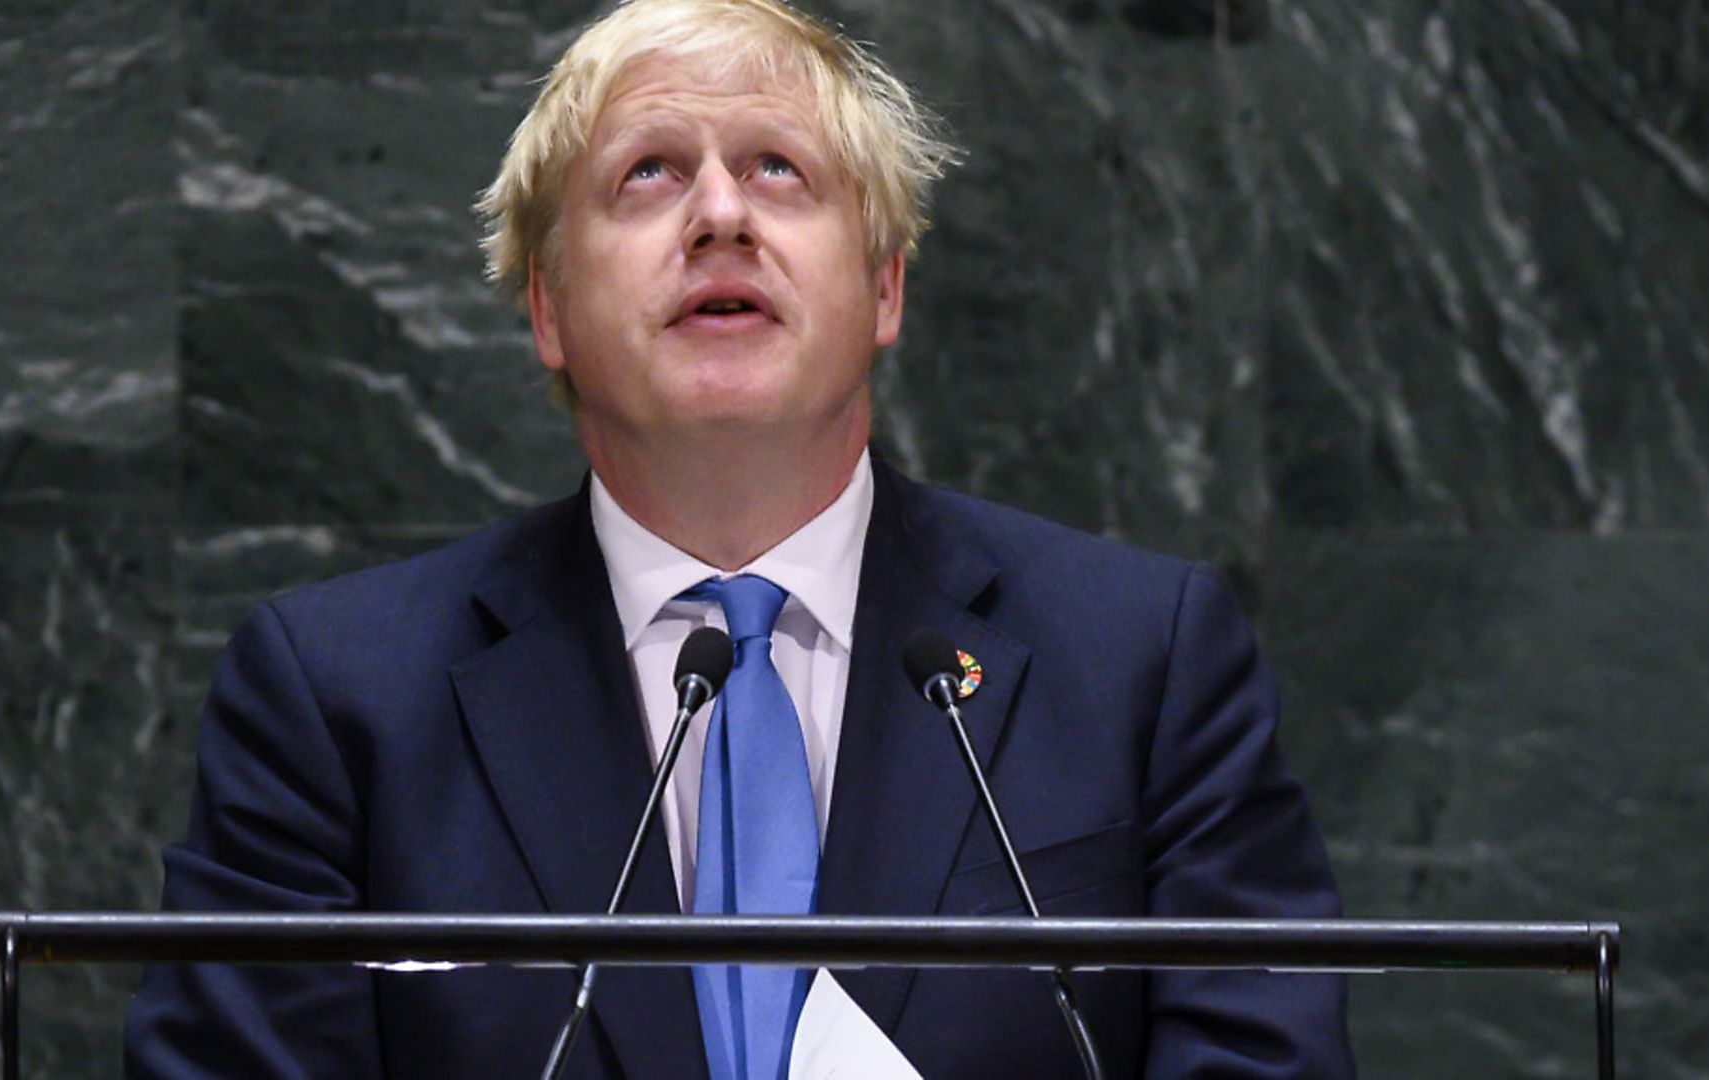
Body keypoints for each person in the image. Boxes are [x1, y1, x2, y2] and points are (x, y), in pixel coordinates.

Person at [125, 0, 1355, 1076]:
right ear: (547, 307)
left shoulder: (1144, 661)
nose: (719, 213)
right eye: (648, 173)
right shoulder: (337, 701)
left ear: (884, 289)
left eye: (779, 170)